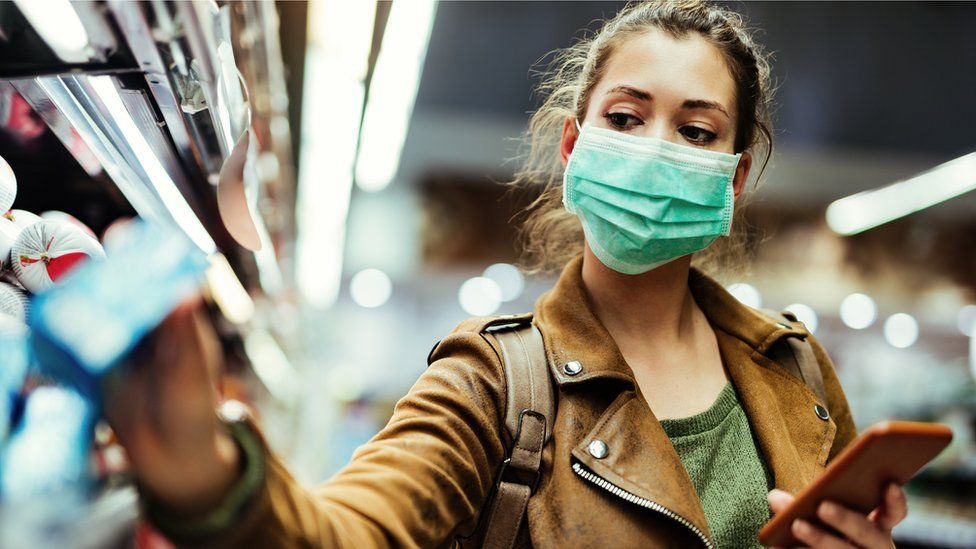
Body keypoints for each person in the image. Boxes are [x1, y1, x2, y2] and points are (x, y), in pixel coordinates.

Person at [104, 1, 909, 547]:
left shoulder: (795, 367)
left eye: (697, 131)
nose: (658, 147)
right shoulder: (496, 381)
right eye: (626, 118)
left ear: (732, 180)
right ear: (573, 147)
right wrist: (211, 477)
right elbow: (350, 529)